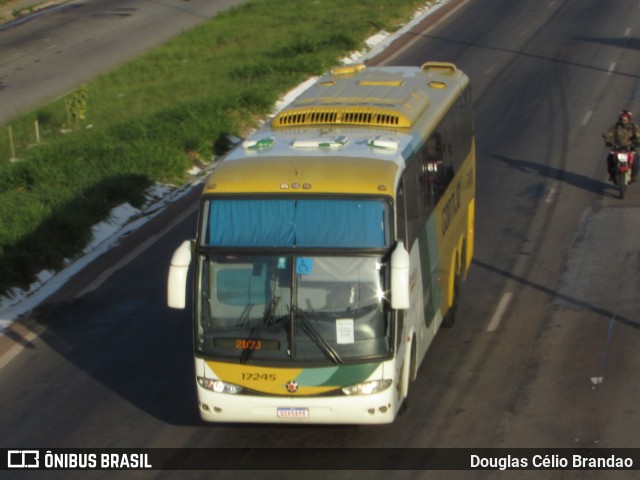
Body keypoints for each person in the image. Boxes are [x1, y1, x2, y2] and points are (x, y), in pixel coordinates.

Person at [603, 110, 640, 183]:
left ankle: (633, 176)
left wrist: (637, 141)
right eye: (622, 119)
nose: (624, 121)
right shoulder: (615, 126)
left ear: (629, 119)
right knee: (609, 158)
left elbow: (638, 134)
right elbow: (609, 135)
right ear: (620, 119)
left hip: (630, 147)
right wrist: (607, 140)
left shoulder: (633, 126)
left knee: (636, 160)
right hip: (617, 148)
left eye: (626, 119)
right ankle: (611, 174)